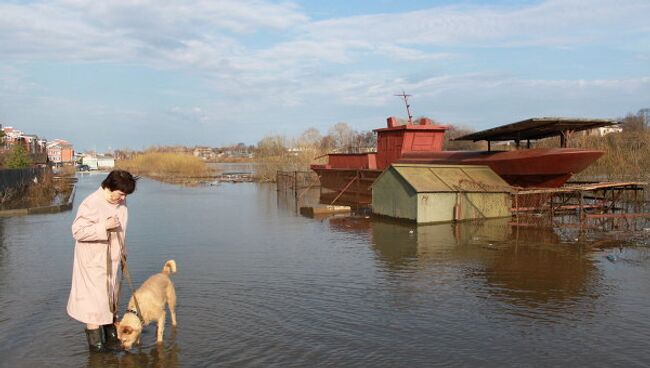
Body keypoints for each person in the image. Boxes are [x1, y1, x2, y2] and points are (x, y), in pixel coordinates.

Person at [67, 170, 137, 352]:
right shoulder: (91, 203)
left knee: (110, 302)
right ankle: (97, 351)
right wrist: (103, 226)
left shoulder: (120, 202)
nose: (123, 198)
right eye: (121, 194)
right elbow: (77, 231)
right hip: (92, 263)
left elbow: (121, 229)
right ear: (110, 187)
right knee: (93, 308)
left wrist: (122, 249)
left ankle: (112, 342)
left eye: (125, 195)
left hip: (112, 261)